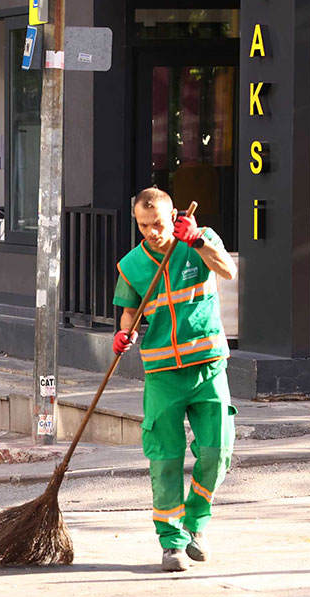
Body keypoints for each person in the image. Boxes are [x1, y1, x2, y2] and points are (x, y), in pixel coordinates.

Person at [112, 187, 238, 573]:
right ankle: (171, 543)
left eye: (158, 224)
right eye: (143, 225)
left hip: (209, 366)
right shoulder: (131, 265)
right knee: (165, 459)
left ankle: (196, 524)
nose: (151, 231)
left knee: (217, 452)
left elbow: (227, 271)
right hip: (163, 374)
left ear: (174, 216)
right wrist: (124, 334)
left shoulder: (199, 241)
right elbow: (128, 315)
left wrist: (196, 239)